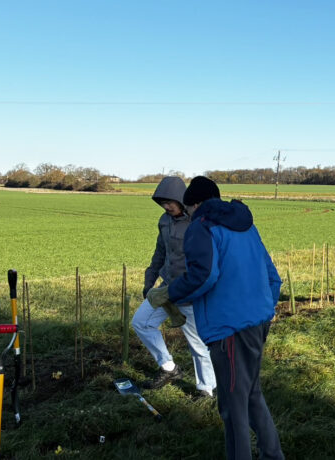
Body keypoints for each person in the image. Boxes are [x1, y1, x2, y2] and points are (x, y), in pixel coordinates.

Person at [147, 176, 284, 460]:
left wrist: (169, 293)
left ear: (195, 203)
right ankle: (272, 455)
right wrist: (264, 311)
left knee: (233, 406)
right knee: (252, 394)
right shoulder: (246, 225)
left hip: (229, 329)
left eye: (190, 207)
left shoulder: (202, 226)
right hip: (258, 323)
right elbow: (274, 277)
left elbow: (204, 276)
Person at [132, 176, 216, 397]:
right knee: (141, 323)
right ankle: (169, 368)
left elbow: (206, 261)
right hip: (166, 288)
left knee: (197, 343)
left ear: (181, 199)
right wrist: (149, 282)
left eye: (169, 201)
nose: (166, 206)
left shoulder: (197, 222)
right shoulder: (164, 221)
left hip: (190, 292)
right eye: (162, 203)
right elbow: (160, 252)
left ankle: (206, 388)